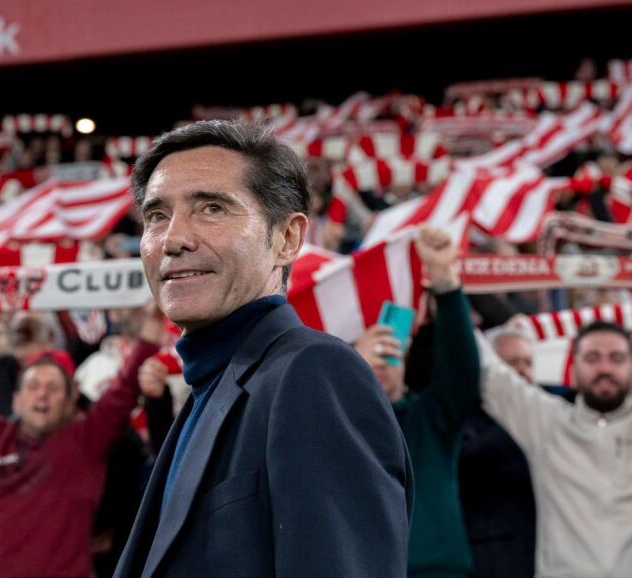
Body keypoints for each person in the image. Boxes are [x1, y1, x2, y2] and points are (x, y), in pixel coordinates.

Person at [115, 120, 412, 577]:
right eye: (156, 215)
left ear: (287, 238)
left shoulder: (314, 374)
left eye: (212, 208)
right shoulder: (211, 389)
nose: (172, 239)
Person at [0, 310, 163, 578]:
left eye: (53, 388)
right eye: (33, 386)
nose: (42, 394)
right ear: (17, 399)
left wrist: (155, 319)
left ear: (70, 402)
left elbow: (126, 388)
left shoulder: (87, 440)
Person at [479, 318, 632, 577]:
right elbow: (487, 371)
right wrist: (453, 299)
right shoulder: (547, 423)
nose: (605, 368)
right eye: (592, 358)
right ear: (574, 369)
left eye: (617, 358)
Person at [351, 225, 482, 578]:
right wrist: (351, 374)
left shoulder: (431, 417)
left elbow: (462, 366)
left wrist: (443, 277)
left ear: (407, 364)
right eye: (370, 353)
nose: (381, 361)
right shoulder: (334, 426)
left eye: (391, 351)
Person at [457, 327, 537, 578]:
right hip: (491, 562)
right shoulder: (462, 421)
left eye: (528, 363)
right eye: (511, 363)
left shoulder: (545, 417)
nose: (522, 371)